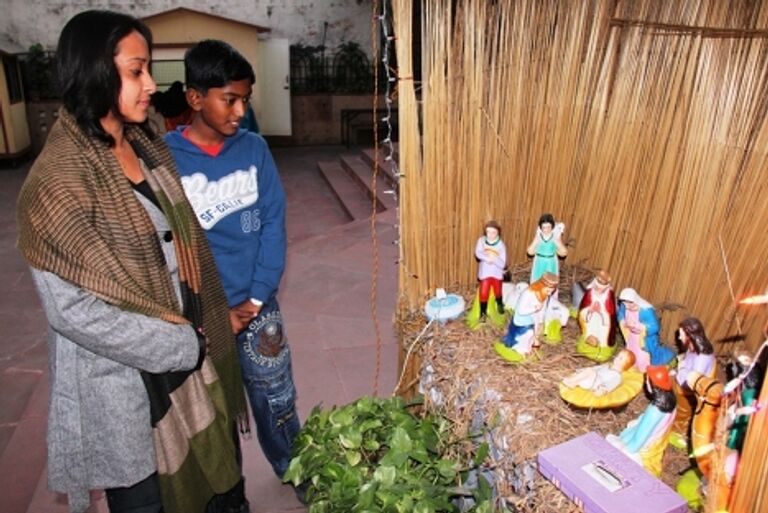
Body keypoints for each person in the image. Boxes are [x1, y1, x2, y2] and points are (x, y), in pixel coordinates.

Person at [16, 11, 248, 513]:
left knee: (221, 489)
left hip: (195, 366)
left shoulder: (146, 147)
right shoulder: (57, 183)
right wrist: (180, 344)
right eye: (135, 70)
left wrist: (200, 334)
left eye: (148, 70)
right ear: (95, 72)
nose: (150, 84)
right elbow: (74, 312)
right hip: (130, 394)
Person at [165, 40, 301, 483]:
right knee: (216, 407)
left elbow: (273, 225)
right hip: (202, 317)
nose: (240, 110)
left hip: (259, 310)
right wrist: (214, 315)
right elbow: (166, 246)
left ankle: (296, 471)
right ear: (195, 98)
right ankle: (229, 489)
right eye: (230, 99)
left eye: (245, 99)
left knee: (276, 398)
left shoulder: (255, 149)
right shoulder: (165, 159)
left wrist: (257, 301)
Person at [606, 365, 677, 477]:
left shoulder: (655, 410)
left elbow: (639, 439)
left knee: (617, 447)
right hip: (656, 439)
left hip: (645, 445)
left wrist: (627, 448)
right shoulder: (671, 403)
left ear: (652, 385)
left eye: (647, 380)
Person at [670, 317, 716, 444]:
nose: (679, 338)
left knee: (683, 411)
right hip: (682, 380)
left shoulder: (703, 357)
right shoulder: (692, 347)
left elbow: (693, 380)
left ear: (690, 336)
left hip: (689, 390)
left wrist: (681, 367)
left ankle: (679, 432)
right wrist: (679, 368)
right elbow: (687, 362)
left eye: (681, 334)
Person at [495, 272, 558, 362]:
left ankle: (528, 349)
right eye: (548, 291)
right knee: (527, 334)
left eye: (551, 292)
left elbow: (542, 311)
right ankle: (519, 350)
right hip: (522, 320)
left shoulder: (544, 296)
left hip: (533, 319)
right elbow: (521, 310)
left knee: (533, 335)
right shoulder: (528, 293)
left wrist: (540, 322)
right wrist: (534, 308)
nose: (549, 294)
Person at [617, 287, 676, 371]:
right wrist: (623, 322)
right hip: (631, 337)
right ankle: (633, 366)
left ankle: (643, 370)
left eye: (630, 303)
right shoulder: (624, 306)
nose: (627, 306)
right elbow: (620, 315)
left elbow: (655, 326)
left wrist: (640, 327)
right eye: (624, 303)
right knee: (631, 352)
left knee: (642, 357)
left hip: (643, 340)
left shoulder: (646, 311)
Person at [467, 220, 507, 328]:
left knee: (498, 291)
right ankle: (483, 313)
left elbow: (503, 264)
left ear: (498, 233)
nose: (490, 235)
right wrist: (486, 257)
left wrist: (494, 259)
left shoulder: (501, 245)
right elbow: (478, 252)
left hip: (496, 273)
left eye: (493, 232)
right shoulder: (481, 241)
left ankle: (499, 304)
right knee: (484, 293)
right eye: (488, 232)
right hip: (485, 273)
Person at [576, 270, 618, 361]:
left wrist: (601, 312)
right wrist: (590, 310)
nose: (598, 291)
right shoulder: (590, 292)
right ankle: (589, 339)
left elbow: (610, 314)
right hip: (590, 321)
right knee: (589, 333)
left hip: (603, 325)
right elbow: (583, 308)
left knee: (603, 338)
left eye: (601, 290)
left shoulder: (609, 296)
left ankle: (602, 346)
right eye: (597, 288)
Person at [561, 349, 636, 396]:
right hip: (590, 379)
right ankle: (574, 380)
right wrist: (581, 370)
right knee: (589, 370)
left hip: (595, 384)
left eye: (621, 358)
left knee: (590, 371)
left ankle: (572, 383)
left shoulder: (617, 376)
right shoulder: (607, 365)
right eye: (618, 356)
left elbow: (610, 384)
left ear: (625, 364)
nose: (616, 358)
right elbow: (596, 368)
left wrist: (603, 390)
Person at [526, 213, 567, 283]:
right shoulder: (538, 237)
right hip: (539, 262)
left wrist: (558, 242)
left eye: (548, 227)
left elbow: (563, 252)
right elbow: (530, 251)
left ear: (552, 227)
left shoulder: (555, 237)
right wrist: (536, 240)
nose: (546, 230)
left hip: (551, 263)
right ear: (540, 228)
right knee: (538, 280)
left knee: (549, 282)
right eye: (544, 227)